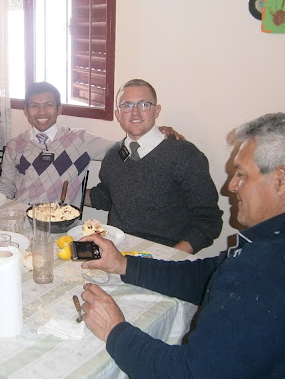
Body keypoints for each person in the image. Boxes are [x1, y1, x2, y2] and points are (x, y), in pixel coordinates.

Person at [78, 112, 285, 378]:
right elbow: (209, 275)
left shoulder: (268, 273)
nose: (231, 186)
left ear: (281, 180)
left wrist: (115, 330)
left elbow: (189, 374)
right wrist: (124, 264)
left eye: (242, 174)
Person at [86, 79, 222, 253]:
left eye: (144, 104)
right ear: (118, 114)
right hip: (117, 251)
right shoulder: (113, 154)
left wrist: (170, 258)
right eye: (127, 105)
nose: (135, 112)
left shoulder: (184, 155)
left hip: (165, 255)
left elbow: (209, 222)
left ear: (157, 111)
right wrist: (62, 194)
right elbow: (105, 197)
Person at [0, 81, 181, 205]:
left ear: (59, 109)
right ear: (26, 111)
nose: (41, 112)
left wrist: (155, 134)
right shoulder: (15, 145)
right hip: (22, 218)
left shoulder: (79, 140)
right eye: (34, 106)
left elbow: (126, 149)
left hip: (60, 225)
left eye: (49, 105)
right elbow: (6, 187)